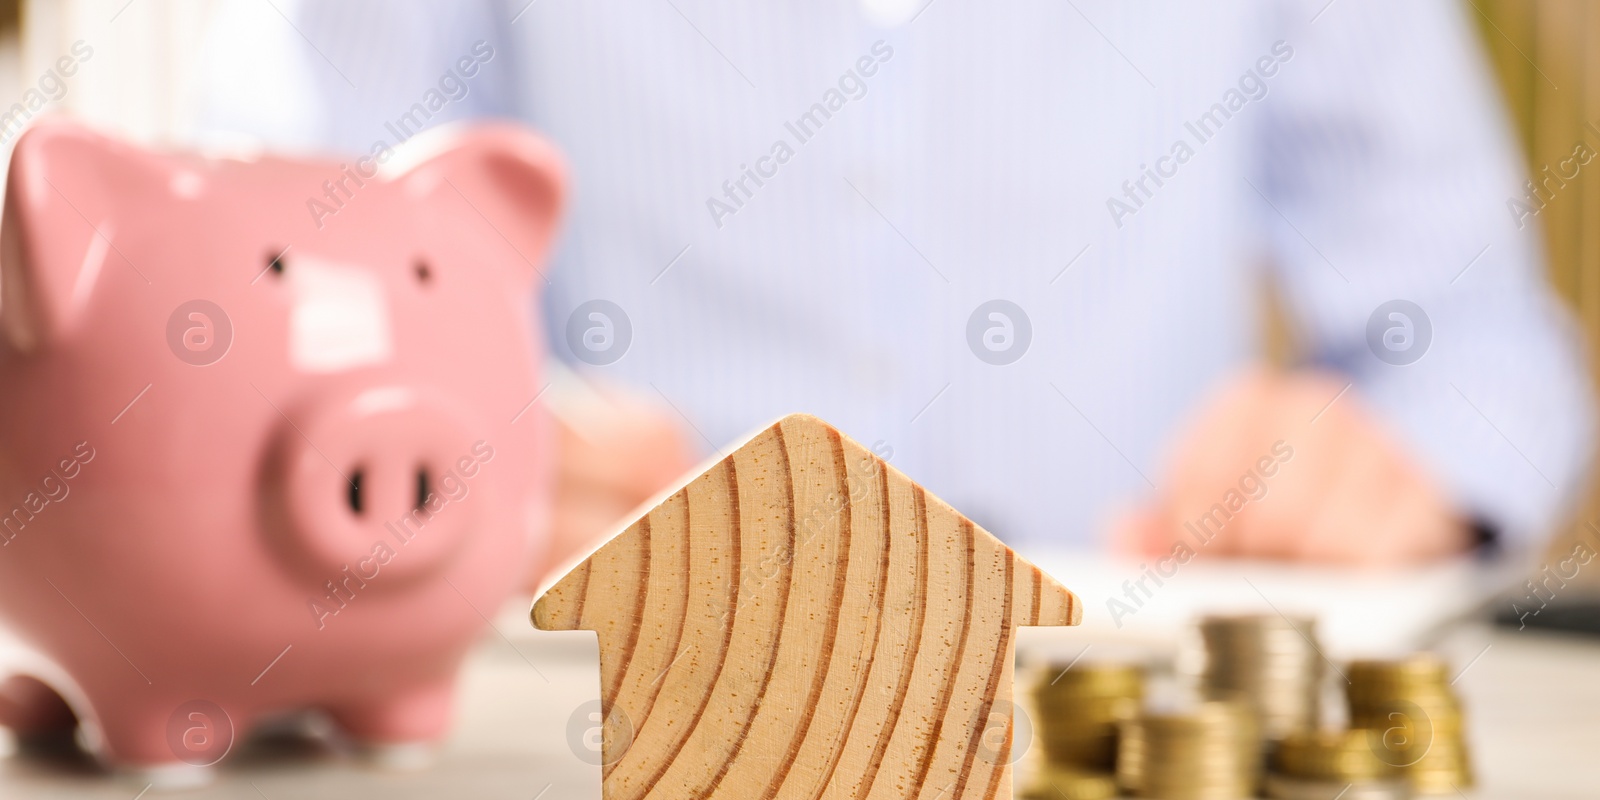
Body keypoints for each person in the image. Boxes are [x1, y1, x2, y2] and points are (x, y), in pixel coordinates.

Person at [197, 0, 1595, 572]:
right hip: (606, 732)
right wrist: (461, 463)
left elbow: (1478, 341)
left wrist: (1401, 474)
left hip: (1146, 757)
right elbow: (326, 298)